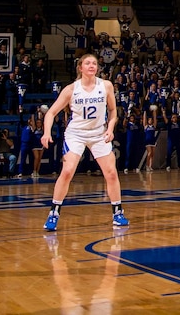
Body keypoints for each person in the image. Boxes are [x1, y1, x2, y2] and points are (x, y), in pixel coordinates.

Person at [40, 53, 127, 231]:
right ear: (80, 68)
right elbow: (50, 113)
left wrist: (110, 129)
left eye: (94, 63)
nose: (91, 65)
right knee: (67, 171)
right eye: (87, 63)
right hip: (76, 134)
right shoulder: (71, 89)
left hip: (98, 133)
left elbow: (113, 111)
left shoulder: (106, 86)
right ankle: (54, 213)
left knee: (111, 172)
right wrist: (46, 132)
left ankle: (118, 213)